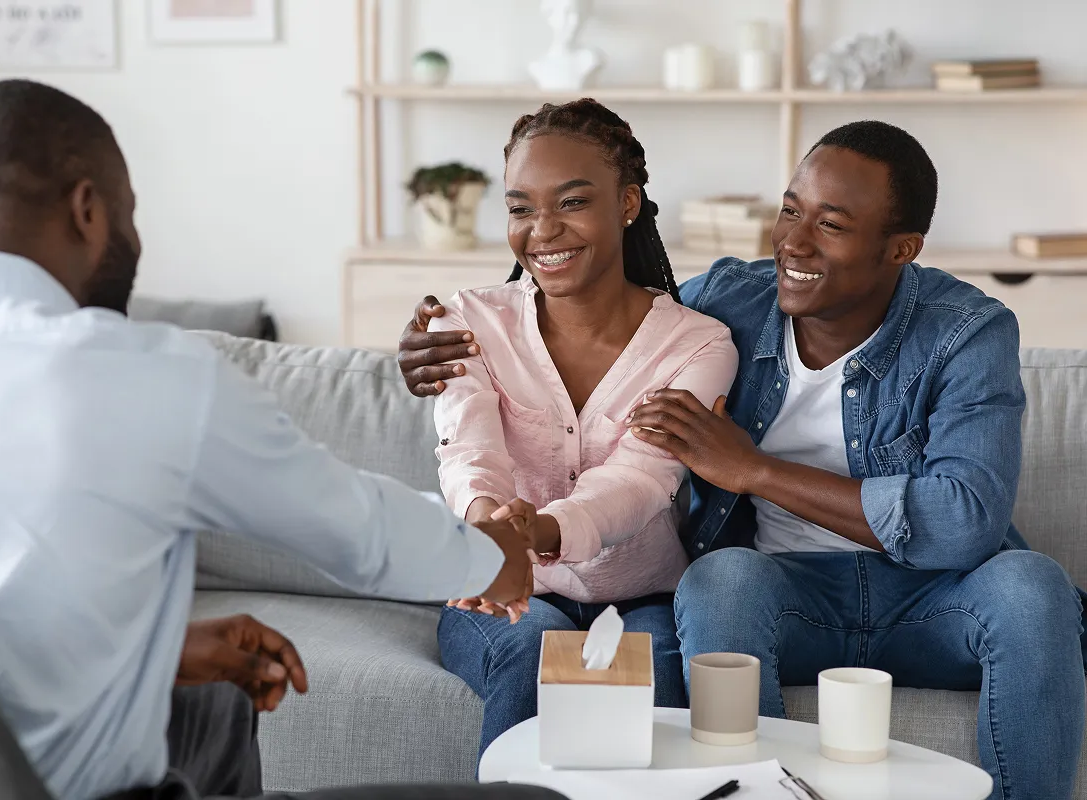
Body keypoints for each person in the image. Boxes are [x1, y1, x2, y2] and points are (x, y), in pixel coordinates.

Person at [0, 79, 567, 800]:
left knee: (210, 713)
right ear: (88, 209)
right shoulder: (136, 373)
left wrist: (156, 653)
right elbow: (354, 529)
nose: (136, 241)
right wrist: (492, 558)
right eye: (129, 214)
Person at [396, 119, 1086, 800]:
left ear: (901, 248)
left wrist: (753, 470)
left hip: (933, 598)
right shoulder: (732, 301)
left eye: (832, 225)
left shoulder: (966, 333)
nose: (793, 242)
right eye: (790, 211)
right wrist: (431, 354)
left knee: (1032, 586)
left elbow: (966, 522)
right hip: (782, 592)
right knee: (720, 580)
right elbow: (609, 309)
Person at [429, 98, 738, 760]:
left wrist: (533, 533)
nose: (542, 230)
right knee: (528, 650)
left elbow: (641, 479)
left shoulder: (697, 344)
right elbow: (469, 451)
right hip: (501, 587)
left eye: (571, 203)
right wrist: (491, 531)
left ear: (627, 203)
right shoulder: (467, 322)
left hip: (642, 597)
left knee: (657, 683)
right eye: (520, 208)